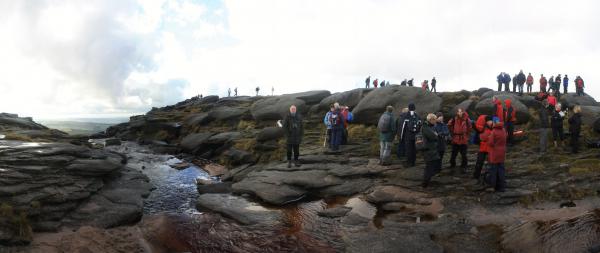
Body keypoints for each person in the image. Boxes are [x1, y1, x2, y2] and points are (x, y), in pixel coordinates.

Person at [486, 117, 507, 192]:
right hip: (502, 152)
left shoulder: (494, 131)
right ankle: (502, 187)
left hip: (494, 153)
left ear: (494, 123)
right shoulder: (504, 130)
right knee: (501, 170)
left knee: (493, 170)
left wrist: (488, 139)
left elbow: (491, 143)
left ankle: (492, 186)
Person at [447, 108, 471, 174]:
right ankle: (452, 166)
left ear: (463, 112)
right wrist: (453, 133)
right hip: (455, 139)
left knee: (464, 155)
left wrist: (466, 136)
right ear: (457, 113)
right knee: (453, 155)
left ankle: (464, 167)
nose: (460, 113)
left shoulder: (467, 119)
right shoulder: (454, 119)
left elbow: (469, 128)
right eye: (458, 112)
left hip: (463, 140)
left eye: (461, 111)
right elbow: (449, 125)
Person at [422, 113, 441, 188]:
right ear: (431, 120)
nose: (435, 122)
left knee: (430, 166)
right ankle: (425, 184)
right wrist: (435, 134)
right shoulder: (426, 127)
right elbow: (433, 137)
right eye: (435, 120)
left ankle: (426, 182)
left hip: (430, 150)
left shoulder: (427, 126)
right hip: (429, 150)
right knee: (429, 167)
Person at [473, 115, 493, 182]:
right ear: (486, 121)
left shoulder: (494, 126)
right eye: (489, 121)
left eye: (491, 121)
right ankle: (476, 176)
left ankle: (490, 176)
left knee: (491, 163)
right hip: (483, 147)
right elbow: (482, 137)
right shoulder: (482, 128)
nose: (490, 122)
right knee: (479, 162)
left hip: (490, 148)